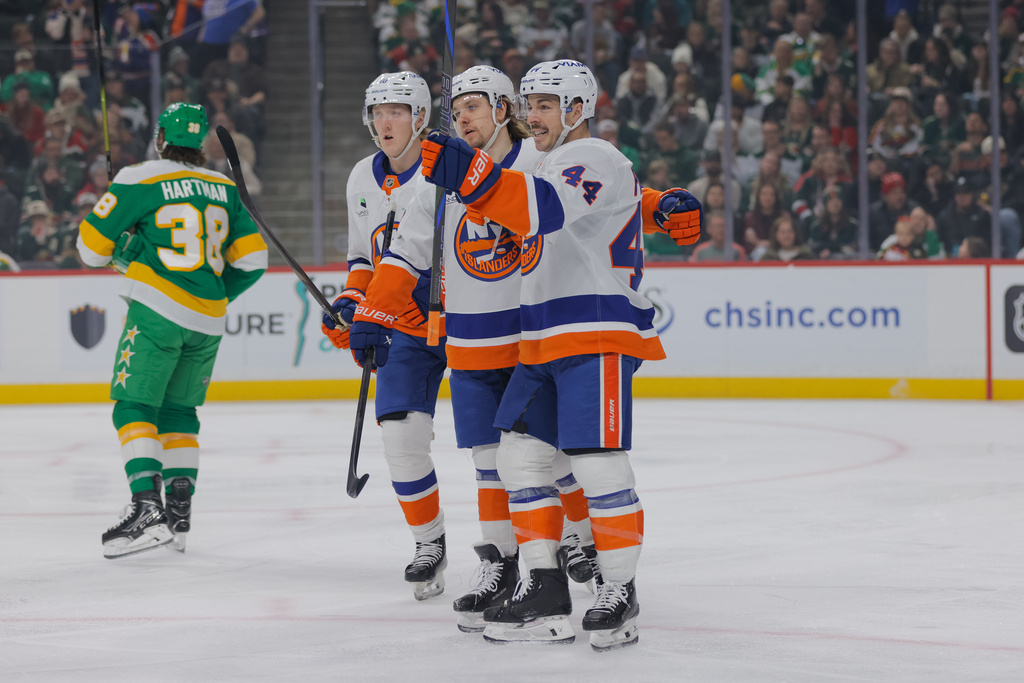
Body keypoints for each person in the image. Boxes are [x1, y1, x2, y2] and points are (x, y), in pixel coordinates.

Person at [419, 60, 701, 650]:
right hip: (543, 338)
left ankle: (619, 590)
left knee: (596, 462)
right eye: (529, 105)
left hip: (593, 329)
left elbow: (537, 207)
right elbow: (529, 191)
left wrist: (467, 172)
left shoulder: (593, 155)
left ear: (577, 109)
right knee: (519, 457)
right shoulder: (549, 161)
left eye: (546, 105)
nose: (533, 116)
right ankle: (545, 584)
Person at [340, 65, 600, 628]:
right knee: (489, 466)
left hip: (531, 341)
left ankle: (579, 546)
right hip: (473, 344)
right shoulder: (440, 176)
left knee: (548, 463)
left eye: (475, 107)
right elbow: (403, 252)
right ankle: (504, 565)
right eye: (456, 110)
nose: (463, 118)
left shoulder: (540, 162)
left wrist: (657, 205)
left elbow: (596, 196)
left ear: (504, 109)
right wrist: (370, 311)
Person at [76, 103, 268, 558]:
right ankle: (178, 511)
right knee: (179, 414)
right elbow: (254, 262)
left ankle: (146, 509)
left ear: (160, 137)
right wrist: (216, 293)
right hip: (208, 320)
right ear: (199, 143)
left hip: (157, 312)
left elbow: (89, 249)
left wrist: (127, 250)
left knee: (133, 406)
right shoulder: (221, 185)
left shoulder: (138, 176)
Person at [320, 72, 451, 601]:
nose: (384, 122)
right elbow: (362, 259)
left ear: (420, 117)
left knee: (509, 445)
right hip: (400, 328)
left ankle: (548, 546)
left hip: (464, 320)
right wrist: (351, 302)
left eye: (396, 111)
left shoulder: (446, 170)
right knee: (399, 436)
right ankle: (429, 543)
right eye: (377, 112)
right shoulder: (360, 177)